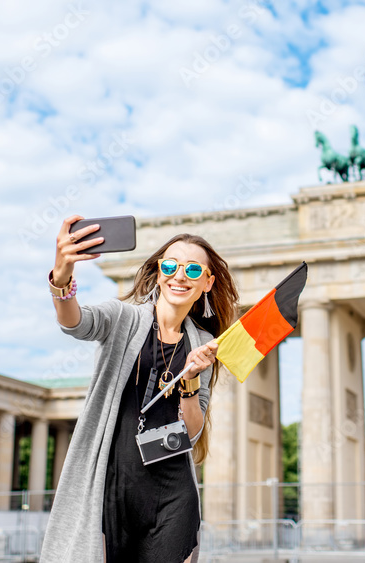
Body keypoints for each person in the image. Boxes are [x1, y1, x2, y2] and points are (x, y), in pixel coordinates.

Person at [38, 215, 238, 563]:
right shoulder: (122, 319)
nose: (180, 275)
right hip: (114, 485)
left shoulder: (204, 343)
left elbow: (191, 433)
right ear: (159, 271)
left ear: (207, 282)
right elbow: (74, 322)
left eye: (193, 270)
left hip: (173, 491)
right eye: (171, 265)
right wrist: (63, 275)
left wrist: (190, 379)